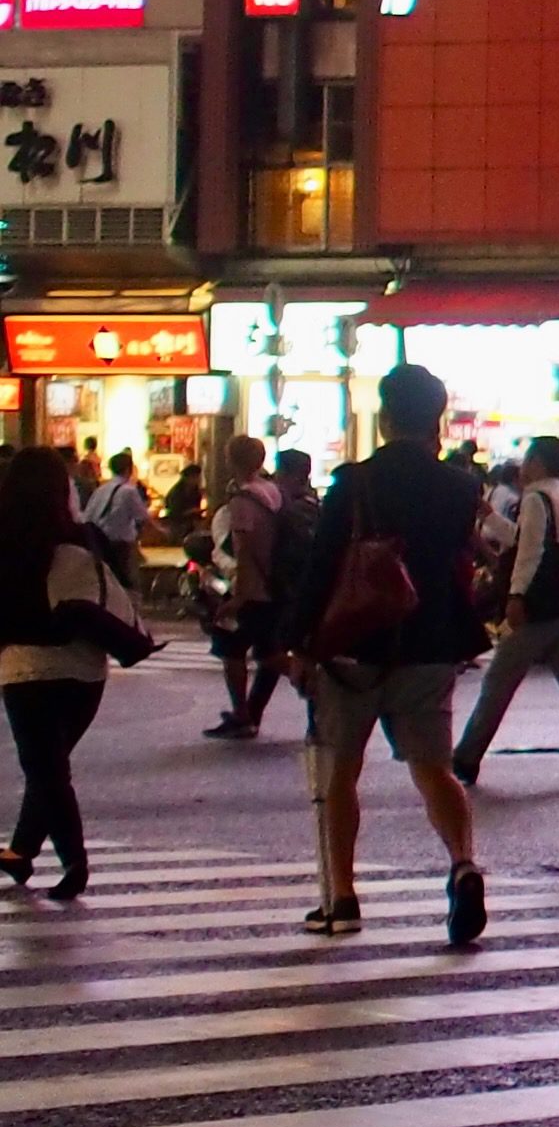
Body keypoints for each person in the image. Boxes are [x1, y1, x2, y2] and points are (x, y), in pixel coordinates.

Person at [290, 363, 492, 946]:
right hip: (429, 643)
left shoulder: (354, 484)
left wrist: (299, 642)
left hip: (354, 645)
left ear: (383, 418)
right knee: (433, 768)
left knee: (341, 771)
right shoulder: (460, 489)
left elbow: (322, 567)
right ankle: (462, 863)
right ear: (437, 420)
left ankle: (342, 897)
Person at [450, 433, 559, 789]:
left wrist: (517, 596)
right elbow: (526, 539)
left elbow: (530, 552)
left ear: (538, 462)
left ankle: (466, 757)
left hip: (541, 605)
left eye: (528, 459)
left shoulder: (534, 499)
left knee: (499, 680)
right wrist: (490, 517)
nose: (523, 466)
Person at [0, 440, 130, 892]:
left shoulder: (7, 540)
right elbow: (118, 586)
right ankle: (21, 852)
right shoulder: (84, 536)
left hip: (26, 666)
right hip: (86, 668)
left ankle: (74, 862)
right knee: (49, 766)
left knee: (45, 768)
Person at [199, 430, 285, 739]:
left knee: (231, 648)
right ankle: (313, 694)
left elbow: (244, 551)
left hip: (253, 589)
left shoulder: (242, 500)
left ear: (230, 460)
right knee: (269, 651)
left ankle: (242, 713)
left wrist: (238, 597)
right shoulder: (272, 491)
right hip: (274, 584)